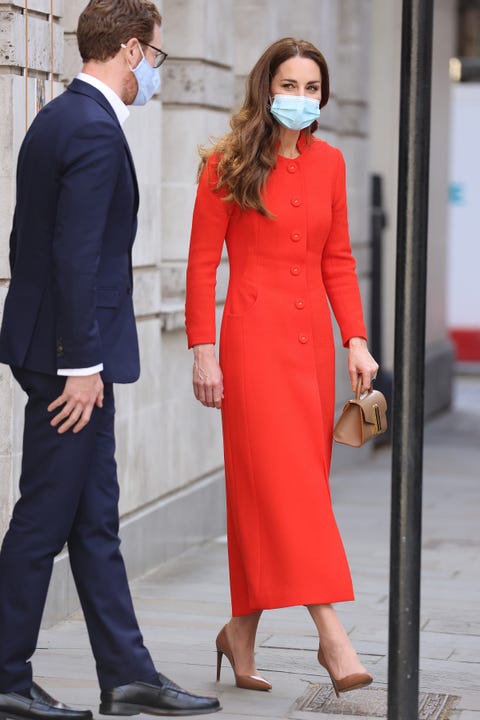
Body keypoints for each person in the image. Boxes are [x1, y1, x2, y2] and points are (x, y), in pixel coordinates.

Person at [0, 1, 220, 718]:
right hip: (73, 361)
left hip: (55, 348)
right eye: (155, 58)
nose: (154, 72)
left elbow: (27, 242)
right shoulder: (93, 129)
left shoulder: (57, 117)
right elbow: (74, 256)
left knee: (93, 518)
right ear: (129, 50)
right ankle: (4, 675)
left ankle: (127, 673)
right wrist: (81, 364)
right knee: (44, 518)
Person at [185, 37, 378, 697]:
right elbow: (202, 263)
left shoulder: (332, 164)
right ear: (266, 88)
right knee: (286, 490)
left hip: (309, 353)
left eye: (311, 87)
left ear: (322, 97)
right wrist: (202, 348)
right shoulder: (227, 162)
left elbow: (339, 260)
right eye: (289, 85)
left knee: (281, 493)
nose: (300, 98)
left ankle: (240, 632)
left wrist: (355, 338)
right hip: (249, 348)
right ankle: (332, 637)